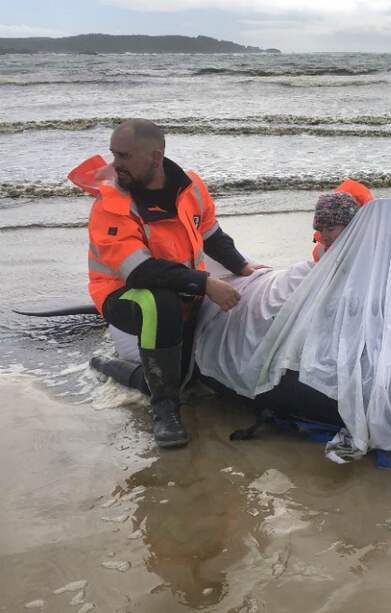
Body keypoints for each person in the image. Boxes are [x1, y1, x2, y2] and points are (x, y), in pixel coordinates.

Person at [70, 119, 267, 448]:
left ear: (155, 157)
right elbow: (139, 272)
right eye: (113, 155)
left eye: (124, 156)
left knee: (186, 370)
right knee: (159, 302)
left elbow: (211, 235)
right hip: (123, 294)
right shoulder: (111, 205)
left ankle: (165, 376)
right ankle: (164, 408)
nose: (115, 165)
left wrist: (243, 267)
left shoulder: (190, 187)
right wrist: (205, 284)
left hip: (180, 286)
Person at [311, 179, 374, 261]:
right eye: (320, 230)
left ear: (350, 226)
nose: (324, 237)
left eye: (330, 229)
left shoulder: (371, 248)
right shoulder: (321, 252)